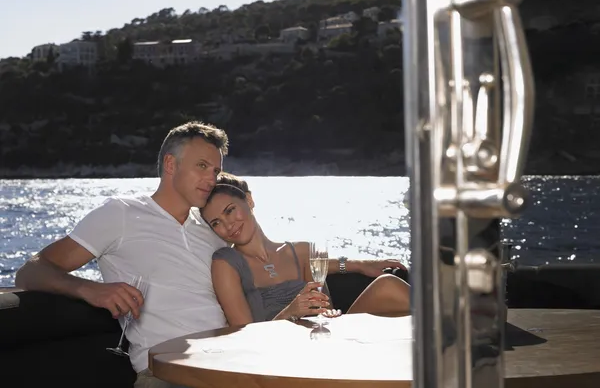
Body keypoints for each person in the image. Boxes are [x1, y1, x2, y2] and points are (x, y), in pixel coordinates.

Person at [14, 121, 406, 388]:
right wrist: (90, 290)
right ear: (170, 164)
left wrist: (351, 263)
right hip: (168, 372)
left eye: (216, 170)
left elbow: (277, 254)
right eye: (201, 165)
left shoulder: (213, 230)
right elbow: (33, 270)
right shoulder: (120, 213)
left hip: (236, 361)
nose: (210, 178)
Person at [201, 172, 411, 326]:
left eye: (230, 211)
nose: (228, 225)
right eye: (216, 223)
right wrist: (289, 313)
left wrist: (360, 264)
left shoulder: (300, 252)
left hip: (325, 338)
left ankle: (440, 345)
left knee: (388, 285)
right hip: (276, 357)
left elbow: (324, 312)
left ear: (249, 200)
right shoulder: (226, 263)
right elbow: (242, 337)